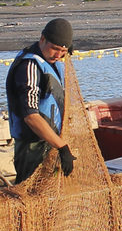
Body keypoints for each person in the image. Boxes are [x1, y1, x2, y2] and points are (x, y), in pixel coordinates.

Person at [5, 17, 77, 184]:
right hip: (33, 147)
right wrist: (62, 147)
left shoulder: (53, 59)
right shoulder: (29, 66)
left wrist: (58, 145)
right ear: (42, 39)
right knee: (30, 193)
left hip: (51, 142)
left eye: (63, 51)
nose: (58, 55)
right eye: (54, 49)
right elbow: (31, 116)